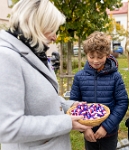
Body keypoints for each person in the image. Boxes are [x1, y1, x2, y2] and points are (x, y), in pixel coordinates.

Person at [0, 0, 91, 150]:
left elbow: (39, 100)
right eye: (51, 30)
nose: (55, 37)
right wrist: (66, 122)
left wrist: (70, 106)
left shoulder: (34, 52)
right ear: (36, 25)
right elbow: (9, 127)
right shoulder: (6, 57)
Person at [70, 31, 129, 150]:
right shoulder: (79, 77)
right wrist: (86, 128)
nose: (95, 61)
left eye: (100, 57)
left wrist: (106, 127)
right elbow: (74, 105)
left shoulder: (115, 77)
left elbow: (122, 103)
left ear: (107, 55)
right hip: (89, 132)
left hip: (109, 133)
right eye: (91, 57)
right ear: (86, 54)